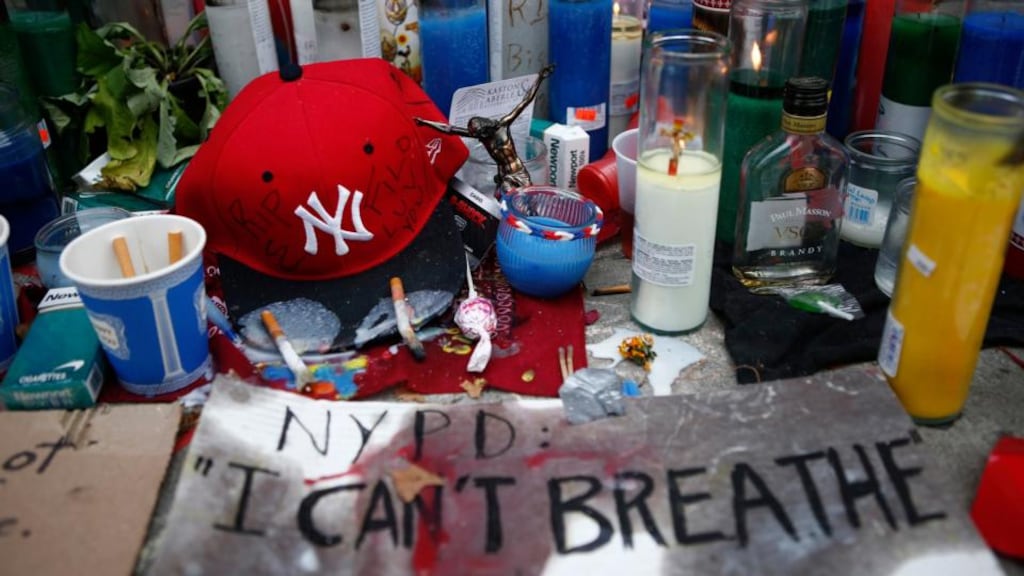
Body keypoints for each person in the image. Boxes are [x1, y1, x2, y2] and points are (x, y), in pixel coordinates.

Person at [416, 65, 554, 193]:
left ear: (485, 126)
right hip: (503, 175)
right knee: (504, 198)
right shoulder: (482, 136)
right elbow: (449, 129)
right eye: (477, 134)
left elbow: (525, 101)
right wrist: (424, 122)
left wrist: (540, 78)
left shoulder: (503, 125)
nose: (480, 136)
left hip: (518, 171)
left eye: (480, 132)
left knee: (528, 198)